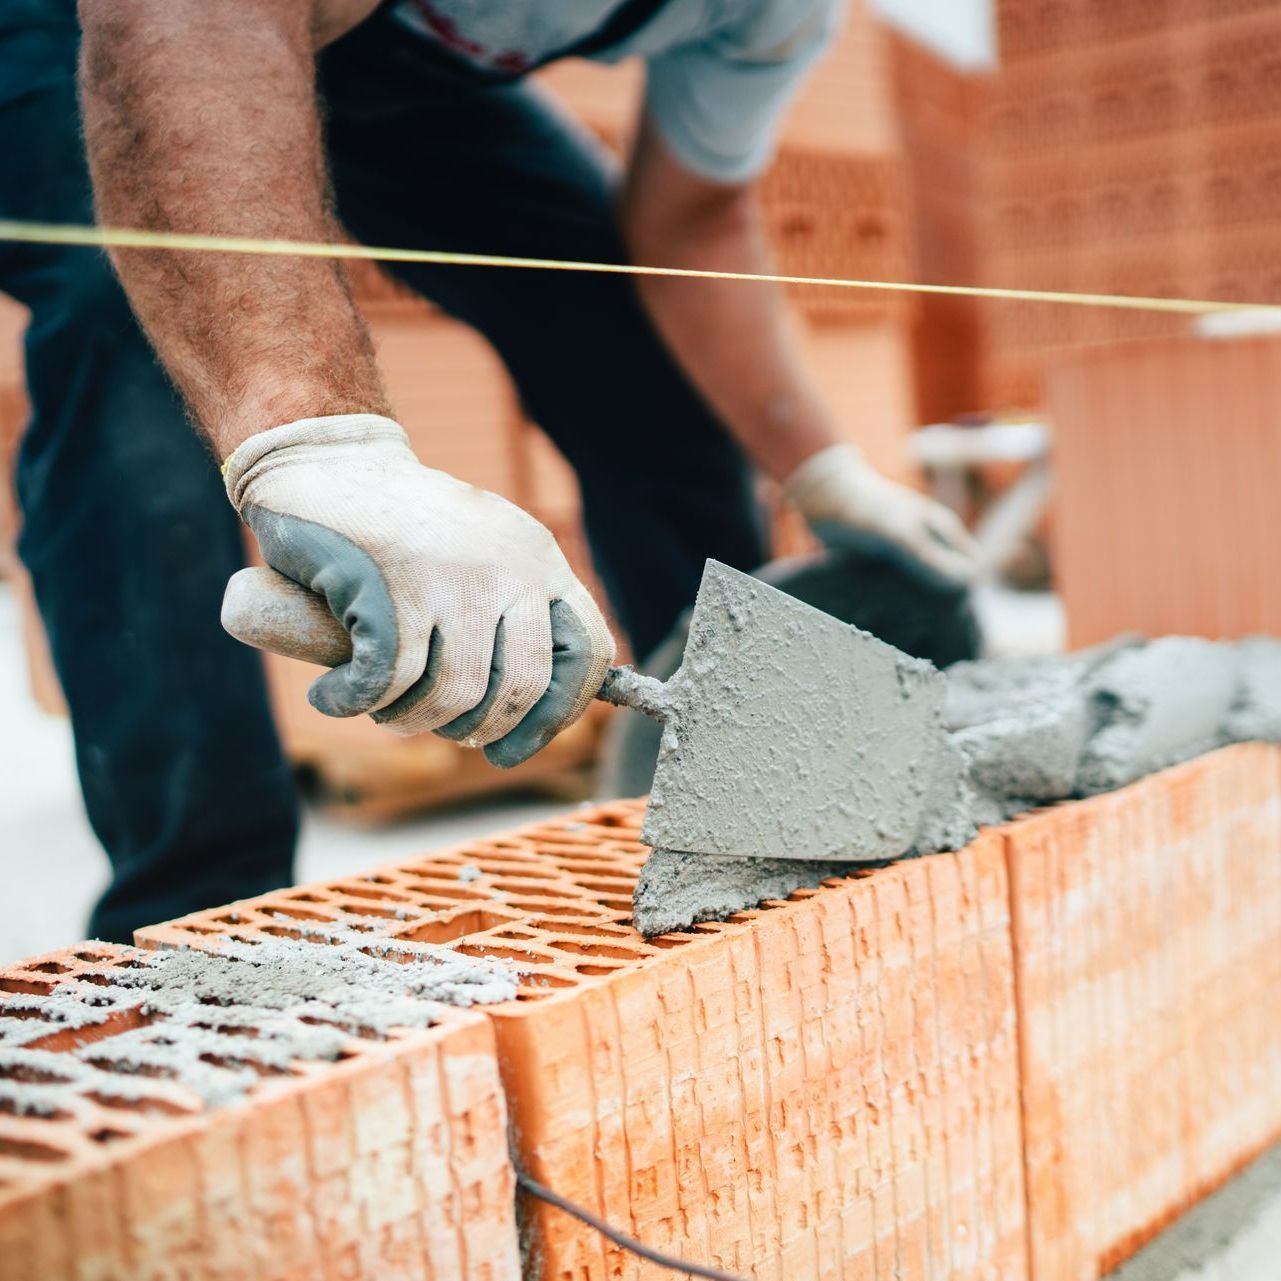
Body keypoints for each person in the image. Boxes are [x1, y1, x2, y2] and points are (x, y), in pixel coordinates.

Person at [4, 0, 975, 941]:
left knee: (619, 317)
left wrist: (819, 468)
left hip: (384, 58)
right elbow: (187, 20)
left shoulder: (774, 13)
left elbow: (692, 222)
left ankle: (742, 777)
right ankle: (200, 915)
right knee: (132, 322)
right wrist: (317, 443)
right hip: (109, 22)